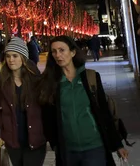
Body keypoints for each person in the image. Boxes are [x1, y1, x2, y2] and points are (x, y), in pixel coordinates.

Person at [39, 36, 128, 166]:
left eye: (62, 50)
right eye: (54, 51)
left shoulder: (91, 77)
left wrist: (118, 145)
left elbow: (104, 112)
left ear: (73, 52)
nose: (58, 55)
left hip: (94, 148)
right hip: (68, 151)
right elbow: (47, 118)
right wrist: (55, 144)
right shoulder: (50, 83)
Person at [0, 37, 46, 166]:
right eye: (8, 56)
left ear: (23, 58)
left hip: (35, 138)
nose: (11, 60)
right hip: (13, 139)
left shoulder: (35, 79)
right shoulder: (0, 80)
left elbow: (45, 105)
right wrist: (2, 122)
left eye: (15, 56)